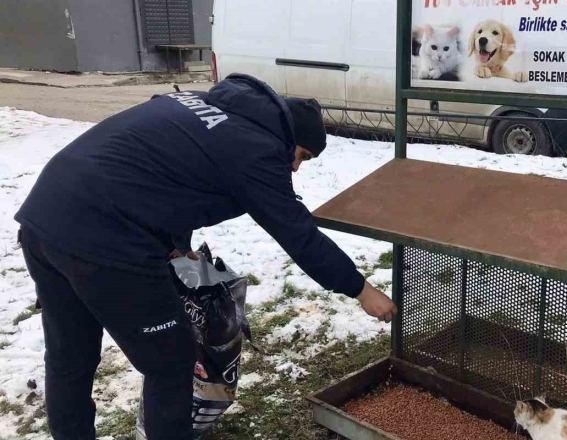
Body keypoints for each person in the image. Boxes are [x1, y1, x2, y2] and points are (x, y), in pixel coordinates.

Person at [15, 73, 397, 440]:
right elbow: (297, 233)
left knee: (70, 356)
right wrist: (361, 290)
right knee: (171, 364)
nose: (295, 166)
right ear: (288, 137)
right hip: (105, 237)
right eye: (302, 155)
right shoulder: (256, 150)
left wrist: (174, 245)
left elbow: (161, 170)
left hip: (45, 216)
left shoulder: (198, 103)